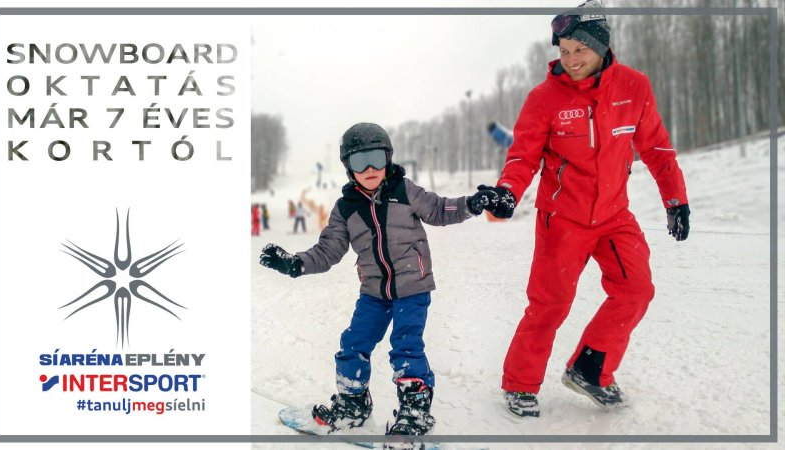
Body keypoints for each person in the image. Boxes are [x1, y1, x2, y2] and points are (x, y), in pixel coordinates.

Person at [474, 0, 691, 417]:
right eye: (564, 50)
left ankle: (591, 368)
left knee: (636, 289)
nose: (571, 60)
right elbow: (522, 157)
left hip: (614, 215)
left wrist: (676, 199)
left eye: (580, 50)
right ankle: (520, 384)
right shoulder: (544, 99)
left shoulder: (634, 87)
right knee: (549, 305)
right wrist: (507, 192)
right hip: (563, 220)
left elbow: (657, 149)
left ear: (602, 45)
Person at [260, 122, 492, 435]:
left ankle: (415, 413)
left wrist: (472, 204)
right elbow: (328, 250)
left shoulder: (404, 191)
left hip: (413, 288)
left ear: (388, 159)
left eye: (376, 159)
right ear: (348, 167)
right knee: (353, 344)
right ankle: (352, 405)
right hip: (373, 292)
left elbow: (439, 210)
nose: (369, 169)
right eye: (360, 161)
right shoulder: (346, 209)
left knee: (406, 347)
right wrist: (295, 263)